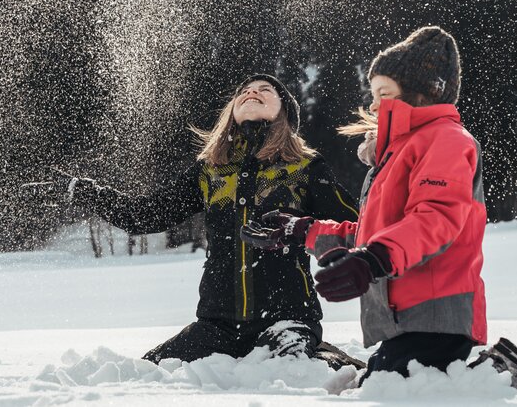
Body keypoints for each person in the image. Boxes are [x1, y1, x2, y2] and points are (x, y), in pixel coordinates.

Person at [37, 74, 359, 363]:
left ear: (284, 112)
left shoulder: (305, 169)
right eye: (244, 91)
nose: (252, 92)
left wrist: (304, 230)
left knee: (297, 370)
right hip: (216, 326)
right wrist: (84, 192)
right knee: (149, 373)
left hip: (286, 321)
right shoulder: (209, 172)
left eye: (265, 90)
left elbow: (360, 227)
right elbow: (143, 216)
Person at [241, 27, 487, 383]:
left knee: (384, 392)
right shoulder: (394, 155)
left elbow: (436, 219)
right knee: (379, 387)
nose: (372, 105)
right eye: (372, 93)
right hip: (402, 319)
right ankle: (484, 379)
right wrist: (303, 230)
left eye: (383, 93)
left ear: (423, 93)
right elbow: (373, 234)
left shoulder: (445, 141)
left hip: (437, 318)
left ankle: (498, 376)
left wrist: (373, 259)